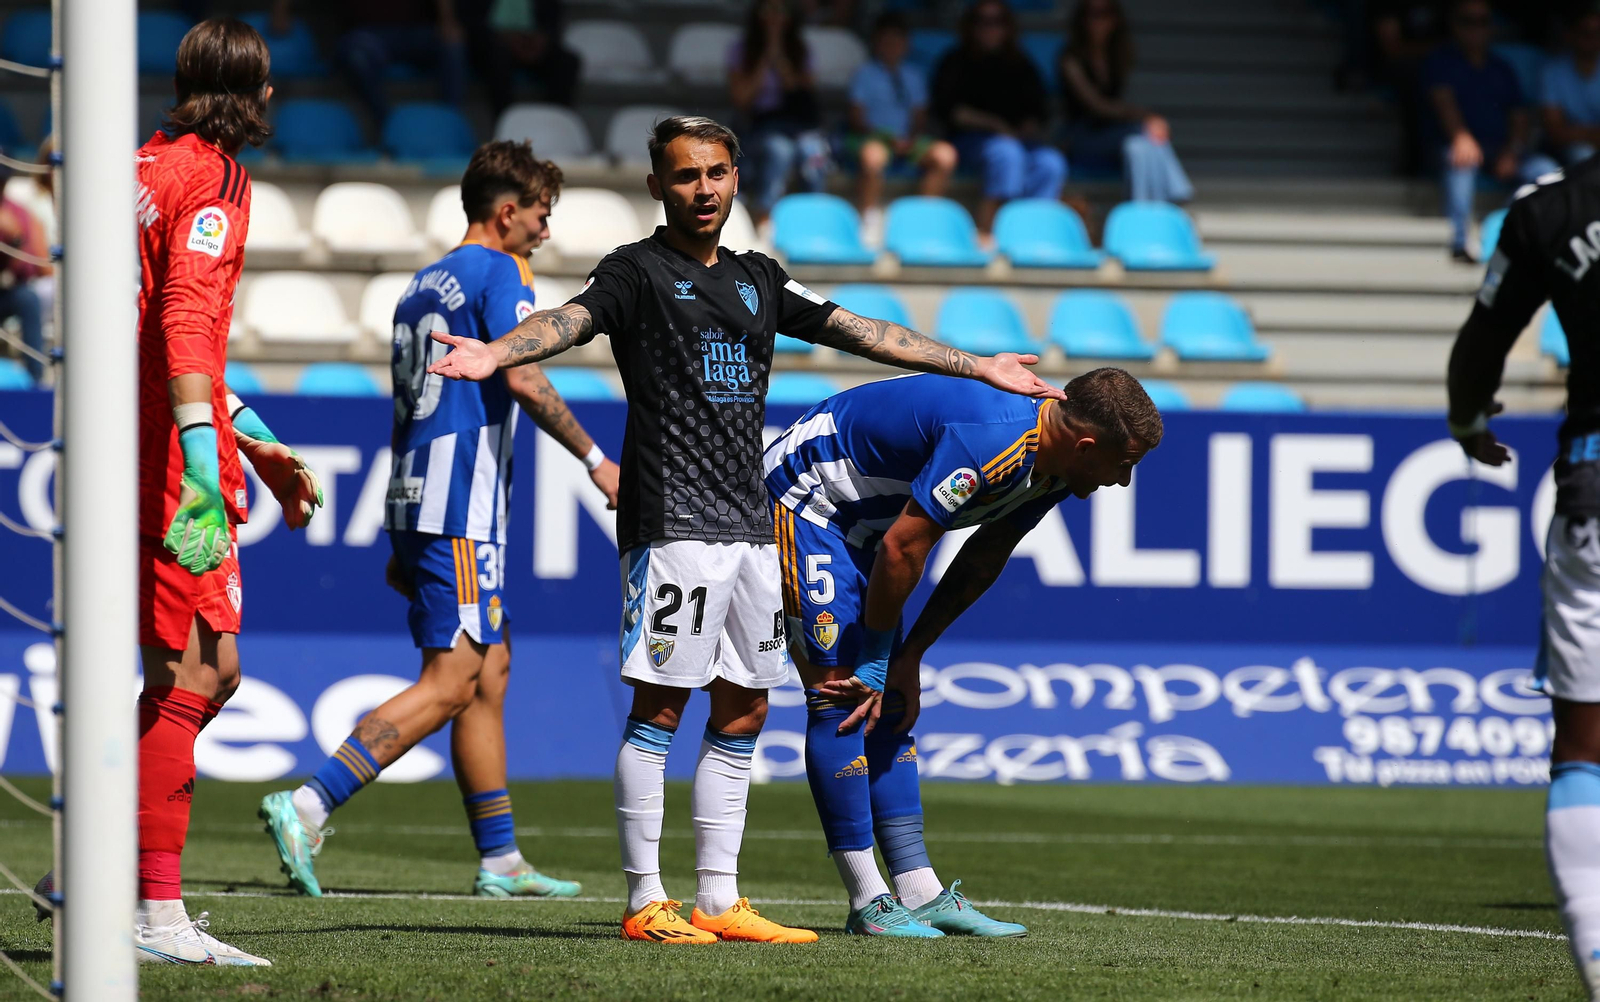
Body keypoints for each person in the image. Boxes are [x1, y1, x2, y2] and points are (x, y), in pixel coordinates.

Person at [426, 115, 1065, 944]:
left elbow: (865, 334)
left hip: (750, 519)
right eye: (686, 175)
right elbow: (572, 318)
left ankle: (720, 900)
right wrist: (497, 354)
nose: (704, 189)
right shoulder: (638, 271)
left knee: (746, 710)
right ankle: (643, 900)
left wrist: (977, 364)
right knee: (661, 707)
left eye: (717, 173)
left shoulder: (762, 278)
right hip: (673, 519)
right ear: (657, 186)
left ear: (736, 179)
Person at [258, 141, 617, 900]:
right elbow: (519, 371)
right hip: (462, 500)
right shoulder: (501, 272)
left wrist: (397, 525)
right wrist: (595, 460)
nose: (545, 234)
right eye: (542, 216)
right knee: (453, 678)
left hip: (423, 494)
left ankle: (501, 860)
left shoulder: (420, 285)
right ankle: (307, 804)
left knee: (490, 673)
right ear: (507, 211)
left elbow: (405, 408)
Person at [763, 368, 1159, 937]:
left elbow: (982, 557)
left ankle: (919, 892)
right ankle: (867, 901)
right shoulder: (992, 441)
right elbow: (905, 545)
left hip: (868, 529)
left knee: (890, 706)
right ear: (1087, 445)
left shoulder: (1054, 469)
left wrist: (908, 657)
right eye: (1126, 464)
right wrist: (876, 661)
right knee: (843, 697)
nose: (1123, 481)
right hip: (809, 502)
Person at [131, 18, 324, 966]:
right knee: (194, 674)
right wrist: (207, 466)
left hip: (133, 431)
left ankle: (99, 866)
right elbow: (182, 319)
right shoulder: (214, 175)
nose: (276, 99)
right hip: (165, 450)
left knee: (212, 670)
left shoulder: (141, 166)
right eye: (269, 85)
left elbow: (160, 329)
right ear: (249, 94)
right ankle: (154, 917)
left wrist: (256, 440)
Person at [1444, 156, 1600, 1002]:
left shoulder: (1551, 210)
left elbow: (1480, 347)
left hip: (1596, 487)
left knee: (1584, 746)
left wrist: (1468, 420)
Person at [930, 0, 1066, 237]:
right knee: (1006, 153)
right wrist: (995, 125)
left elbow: (1038, 111)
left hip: (1018, 140)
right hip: (971, 141)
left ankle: (1032, 235)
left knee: (1050, 162)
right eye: (982, 22)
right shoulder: (955, 61)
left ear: (1008, 27)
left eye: (998, 22)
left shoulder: (1021, 64)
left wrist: (1026, 127)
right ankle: (988, 233)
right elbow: (950, 111)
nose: (990, 28)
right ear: (970, 26)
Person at [1424, 0, 1542, 262]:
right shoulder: (1441, 61)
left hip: (1500, 148)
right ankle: (1460, 240)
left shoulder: (1501, 67)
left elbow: (1519, 115)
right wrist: (1461, 137)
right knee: (1460, 163)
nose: (1475, 28)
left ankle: (1500, 227)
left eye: (1482, 21)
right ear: (1453, 25)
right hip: (1455, 147)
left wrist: (1513, 150)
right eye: (1467, 21)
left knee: (1545, 170)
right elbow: (1444, 103)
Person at [1058, 0, 1193, 204]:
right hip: (1081, 137)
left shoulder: (1116, 55)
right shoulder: (1069, 59)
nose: (1100, 22)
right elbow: (1097, 107)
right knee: (1144, 131)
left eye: (1106, 14)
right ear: (1081, 19)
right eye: (1093, 14)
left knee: (1137, 147)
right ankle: (1178, 191)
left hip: (1114, 136)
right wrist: (1148, 117)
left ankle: (1143, 210)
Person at [845, 13, 958, 239]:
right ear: (876, 43)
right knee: (872, 158)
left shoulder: (914, 76)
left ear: (907, 44)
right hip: (875, 138)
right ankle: (868, 220)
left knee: (945, 156)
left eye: (897, 41)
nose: (892, 47)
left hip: (909, 140)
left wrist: (911, 139)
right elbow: (856, 118)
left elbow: (919, 117)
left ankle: (924, 219)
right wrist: (885, 138)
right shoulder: (864, 74)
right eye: (887, 41)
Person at [728, 0, 832, 228]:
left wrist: (779, 56)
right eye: (769, 10)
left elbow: (799, 93)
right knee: (779, 150)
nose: (775, 17)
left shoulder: (800, 50)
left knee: (813, 151)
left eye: (781, 11)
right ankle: (765, 217)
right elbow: (742, 99)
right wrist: (765, 58)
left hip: (797, 125)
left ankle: (813, 221)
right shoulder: (742, 50)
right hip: (759, 127)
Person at [460, 0, 582, 115]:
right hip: (494, 44)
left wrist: (542, 40)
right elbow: (469, 20)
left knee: (567, 62)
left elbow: (552, 17)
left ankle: (554, 120)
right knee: (497, 59)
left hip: (533, 43)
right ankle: (506, 122)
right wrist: (506, 38)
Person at [0, 160, 49, 381]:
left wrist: (16, 239)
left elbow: (28, 267)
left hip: (6, 291)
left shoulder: (18, 212)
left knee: (29, 299)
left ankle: (35, 378)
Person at [1540, 6, 1600, 170]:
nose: (1594, 39)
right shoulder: (1553, 71)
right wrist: (1591, 134)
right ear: (1570, 35)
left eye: (1598, 32)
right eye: (1586, 33)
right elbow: (1555, 131)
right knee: (1584, 155)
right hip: (1569, 149)